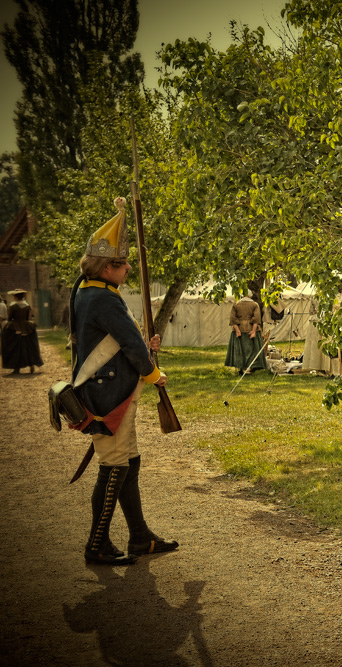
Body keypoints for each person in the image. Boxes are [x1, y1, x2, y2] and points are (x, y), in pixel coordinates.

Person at [72, 196, 178, 565]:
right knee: (114, 468)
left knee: (128, 463)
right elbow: (131, 344)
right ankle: (97, 544)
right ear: (108, 267)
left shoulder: (90, 291)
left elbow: (118, 340)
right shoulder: (103, 299)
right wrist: (153, 372)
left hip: (109, 389)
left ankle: (139, 537)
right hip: (110, 396)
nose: (130, 267)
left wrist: (139, 346)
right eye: (123, 263)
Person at [1, 288, 43, 373]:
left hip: (15, 326)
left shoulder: (13, 306)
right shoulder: (27, 305)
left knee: (14, 347)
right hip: (27, 327)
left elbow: (10, 318)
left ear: (15, 297)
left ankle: (16, 368)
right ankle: (31, 364)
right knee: (29, 346)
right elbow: (28, 317)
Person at [226, 292, 267, 373]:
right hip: (251, 328)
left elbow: (233, 319)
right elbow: (256, 319)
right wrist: (253, 331)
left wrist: (237, 330)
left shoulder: (236, 304)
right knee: (252, 349)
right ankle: (251, 368)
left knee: (240, 350)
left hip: (239, 328)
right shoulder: (254, 305)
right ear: (250, 295)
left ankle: (241, 368)